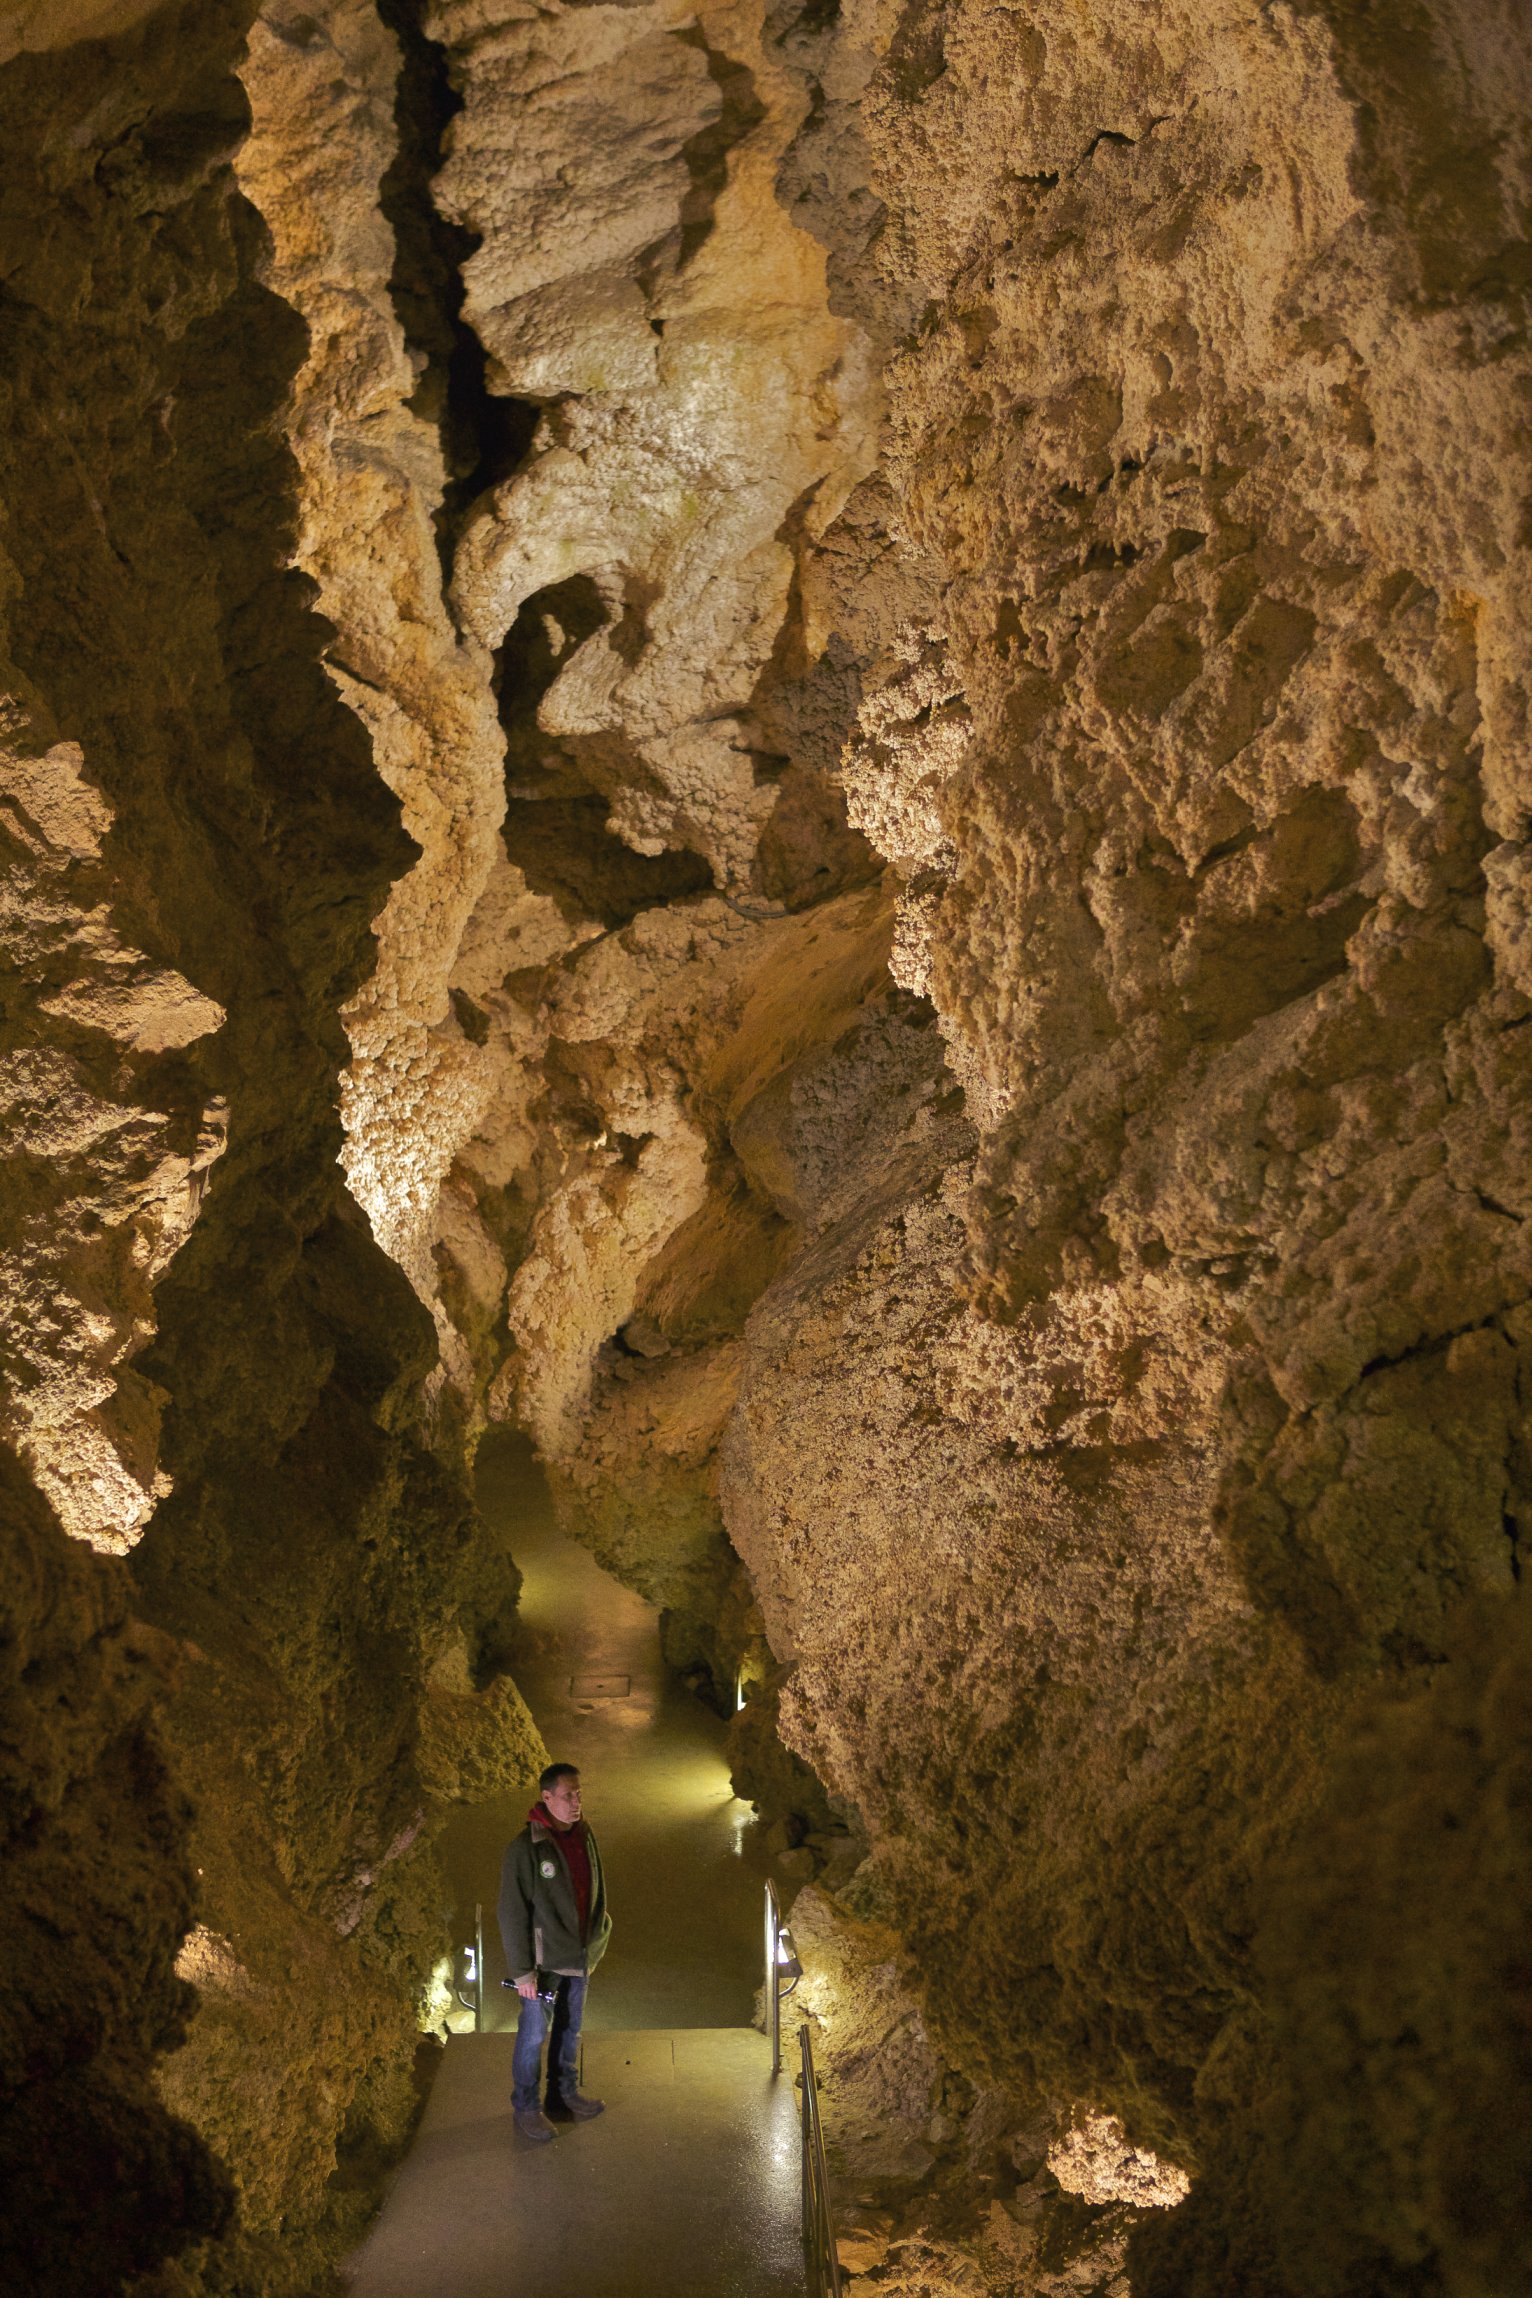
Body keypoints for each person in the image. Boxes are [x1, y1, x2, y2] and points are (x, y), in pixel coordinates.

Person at [498, 1760, 612, 2143]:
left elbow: (596, 1888)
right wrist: (523, 1972)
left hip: (578, 1956)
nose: (576, 1802)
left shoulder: (584, 1833)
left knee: (570, 2030)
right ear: (547, 1798)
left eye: (579, 1794)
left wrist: (597, 1937)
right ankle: (527, 2108)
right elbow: (511, 1911)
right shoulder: (525, 1848)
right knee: (533, 2036)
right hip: (543, 1965)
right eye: (567, 1796)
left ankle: (564, 2095)